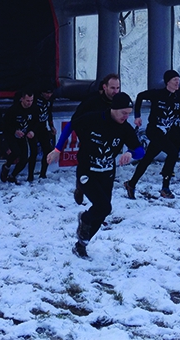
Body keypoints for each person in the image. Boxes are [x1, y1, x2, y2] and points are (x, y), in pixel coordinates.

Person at [55, 92, 144, 258]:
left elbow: (140, 151)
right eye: (123, 113)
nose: (126, 117)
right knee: (104, 206)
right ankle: (85, 217)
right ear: (114, 108)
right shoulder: (94, 118)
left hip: (106, 173)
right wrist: (58, 149)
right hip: (87, 171)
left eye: (128, 114)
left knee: (102, 211)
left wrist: (131, 154)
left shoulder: (125, 128)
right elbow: (71, 126)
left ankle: (81, 245)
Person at [49, 73, 121, 204]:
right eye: (112, 88)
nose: (115, 91)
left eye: (117, 88)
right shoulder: (92, 102)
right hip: (90, 140)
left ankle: (101, 210)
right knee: (88, 171)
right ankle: (81, 186)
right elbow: (73, 122)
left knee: (106, 185)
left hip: (108, 146)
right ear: (104, 87)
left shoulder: (119, 102)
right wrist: (58, 148)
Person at [123, 70, 180, 199]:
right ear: (167, 82)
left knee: (147, 159)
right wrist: (137, 116)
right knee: (173, 153)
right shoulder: (157, 94)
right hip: (154, 130)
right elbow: (140, 96)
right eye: (174, 80)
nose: (177, 82)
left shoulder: (179, 97)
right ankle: (165, 187)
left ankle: (131, 183)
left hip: (165, 133)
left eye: (178, 80)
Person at [1, 89, 39, 183]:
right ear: (22, 99)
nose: (29, 103)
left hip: (23, 135)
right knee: (16, 152)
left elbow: (37, 122)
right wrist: (14, 131)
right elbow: (5, 124)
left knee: (25, 158)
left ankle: (13, 175)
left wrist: (32, 131)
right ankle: (6, 166)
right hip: (11, 134)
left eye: (31, 101)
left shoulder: (34, 109)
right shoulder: (13, 109)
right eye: (27, 101)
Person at [35, 83, 57, 180]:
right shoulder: (36, 98)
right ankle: (30, 176)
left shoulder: (50, 100)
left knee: (47, 150)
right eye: (46, 93)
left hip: (43, 127)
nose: (48, 95)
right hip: (32, 127)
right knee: (33, 152)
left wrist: (51, 126)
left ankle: (43, 174)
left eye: (50, 93)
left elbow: (49, 113)